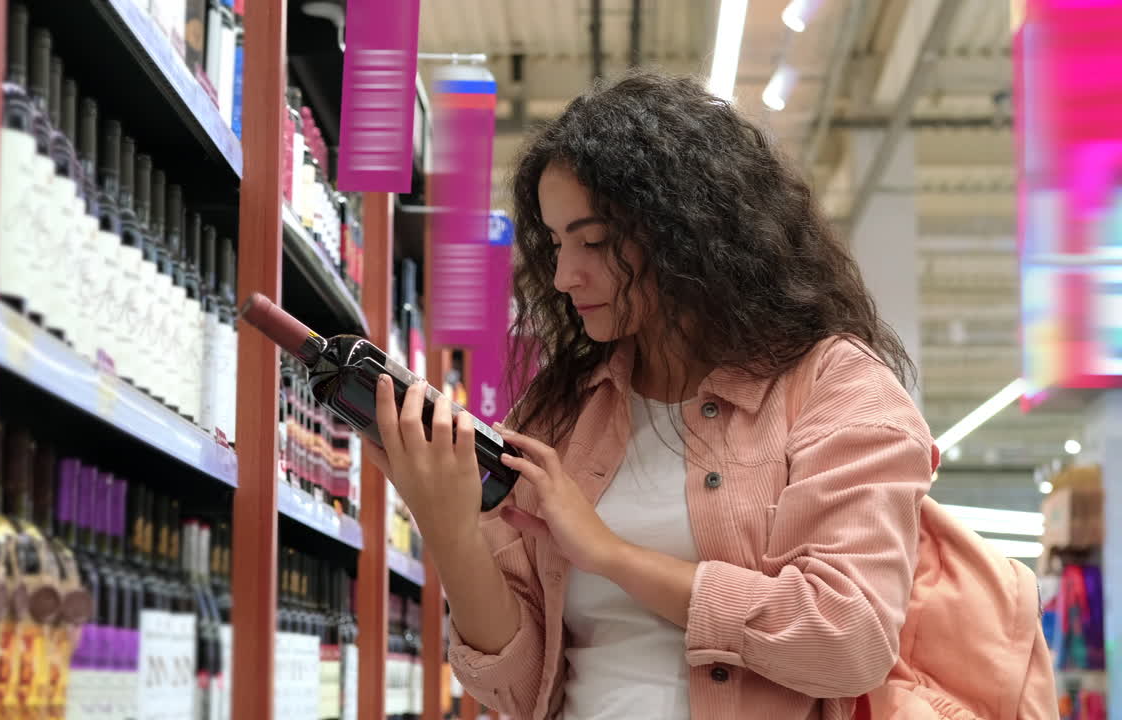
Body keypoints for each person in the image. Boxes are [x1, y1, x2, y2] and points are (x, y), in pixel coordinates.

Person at [367, 69, 935, 720]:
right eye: (555, 243)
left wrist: (610, 555)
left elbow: (847, 639)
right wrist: (446, 523)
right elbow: (519, 693)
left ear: (689, 230)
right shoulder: (562, 412)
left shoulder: (835, 386)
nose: (562, 275)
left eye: (595, 242)